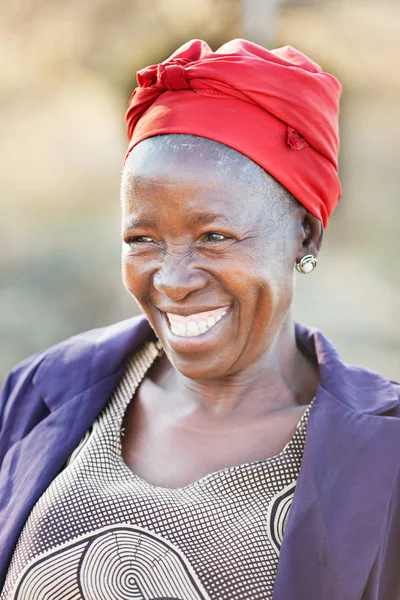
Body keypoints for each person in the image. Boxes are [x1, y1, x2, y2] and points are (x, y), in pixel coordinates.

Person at [0, 38, 399, 600]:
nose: (172, 279)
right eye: (143, 239)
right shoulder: (41, 394)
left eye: (214, 237)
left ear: (304, 235)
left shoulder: (384, 458)